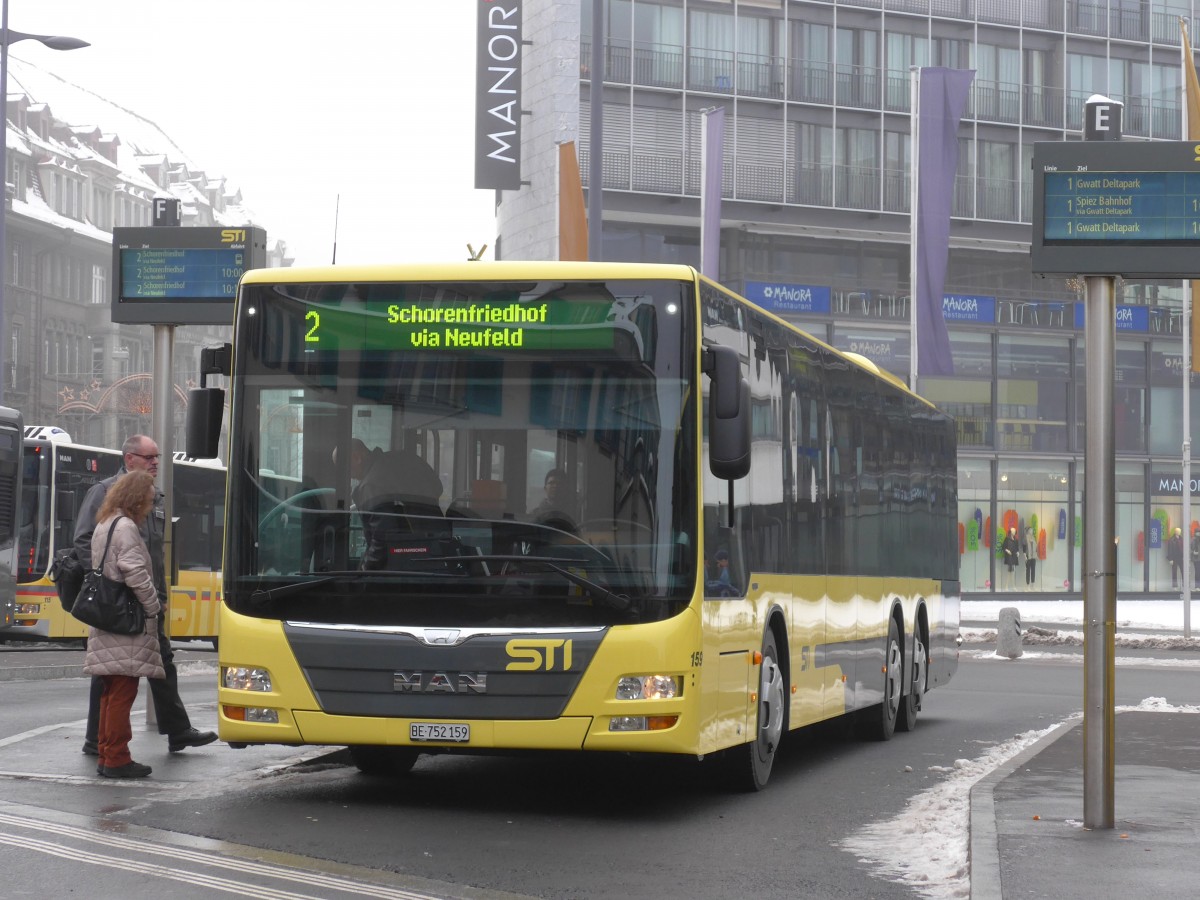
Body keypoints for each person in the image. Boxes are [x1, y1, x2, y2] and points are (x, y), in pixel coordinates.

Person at [75, 435, 217, 757]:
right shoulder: (105, 492)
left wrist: (158, 595)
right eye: (148, 457)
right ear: (129, 459)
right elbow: (85, 541)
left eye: (157, 457)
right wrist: (110, 586)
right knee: (112, 671)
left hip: (146, 595)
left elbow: (154, 553)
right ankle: (99, 741)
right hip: (122, 599)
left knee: (161, 661)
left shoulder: (153, 495)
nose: (155, 462)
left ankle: (176, 730)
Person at [83, 470, 165, 778]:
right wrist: (153, 606)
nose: (150, 505)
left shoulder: (105, 523)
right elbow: (134, 572)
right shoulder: (127, 527)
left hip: (108, 617)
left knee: (110, 691)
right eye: (149, 499)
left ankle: (107, 754)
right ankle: (117, 758)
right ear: (137, 498)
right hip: (126, 621)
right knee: (122, 692)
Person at [337, 438, 443, 569]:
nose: (347, 475)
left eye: (344, 467)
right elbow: (438, 487)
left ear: (357, 457)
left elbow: (382, 538)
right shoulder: (405, 458)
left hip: (406, 562)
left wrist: (365, 570)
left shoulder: (371, 485)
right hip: (437, 549)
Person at [1001, 526, 1020, 591]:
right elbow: (1003, 547)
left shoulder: (1016, 540)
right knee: (1010, 572)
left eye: (1015, 531)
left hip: (1014, 557)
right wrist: (1007, 551)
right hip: (1009, 557)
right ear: (1011, 532)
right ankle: (1008, 586)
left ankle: (1011, 586)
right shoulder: (1007, 539)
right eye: (1013, 531)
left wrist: (1018, 552)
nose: (1014, 532)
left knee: (1012, 572)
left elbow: (1017, 548)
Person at [1021, 525, 1037, 590]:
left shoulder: (1034, 537)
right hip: (1028, 556)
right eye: (1030, 530)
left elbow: (1035, 547)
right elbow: (1024, 548)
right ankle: (1027, 585)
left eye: (1032, 530)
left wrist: (1036, 554)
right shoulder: (1025, 538)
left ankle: (1033, 585)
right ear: (1028, 531)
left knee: (1033, 570)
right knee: (1028, 570)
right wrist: (1025, 556)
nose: (1032, 531)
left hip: (1034, 556)